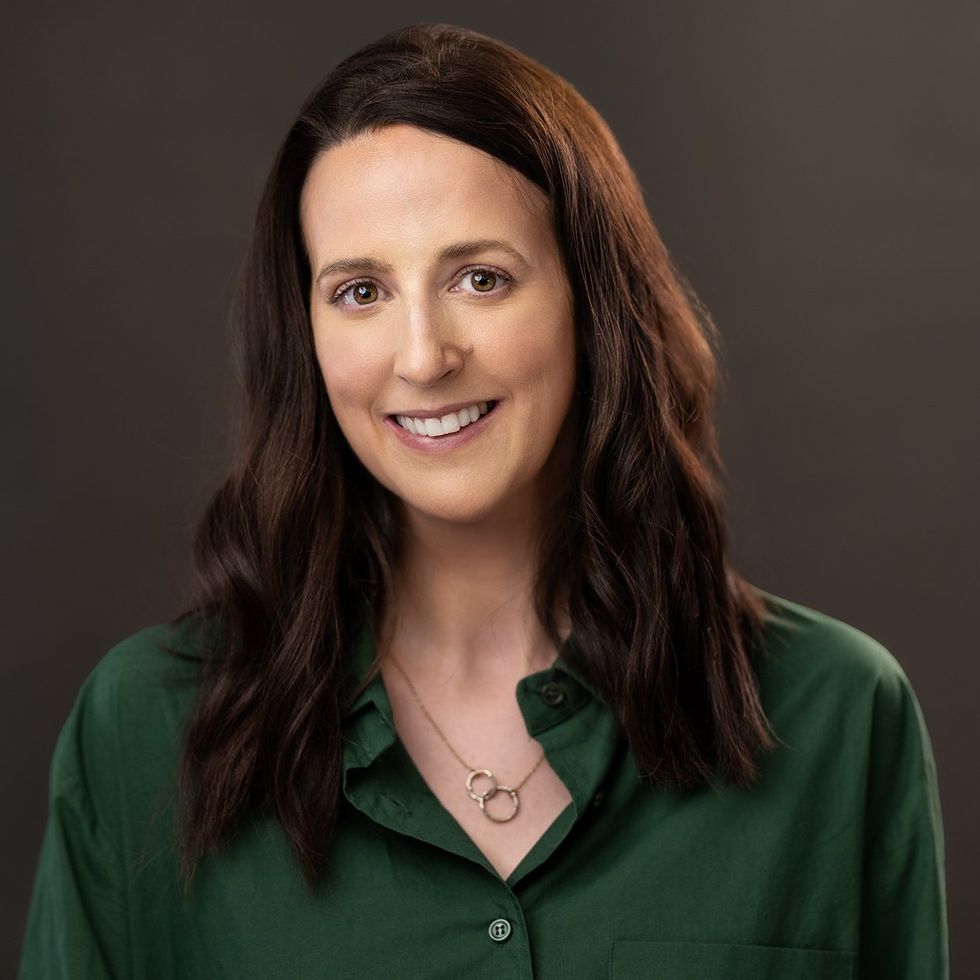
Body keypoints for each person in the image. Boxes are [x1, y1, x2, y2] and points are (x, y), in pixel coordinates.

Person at [17, 22, 948, 980]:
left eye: (481, 278)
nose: (423, 356)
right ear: (306, 335)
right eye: (360, 291)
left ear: (593, 299)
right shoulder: (145, 731)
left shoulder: (838, 716)